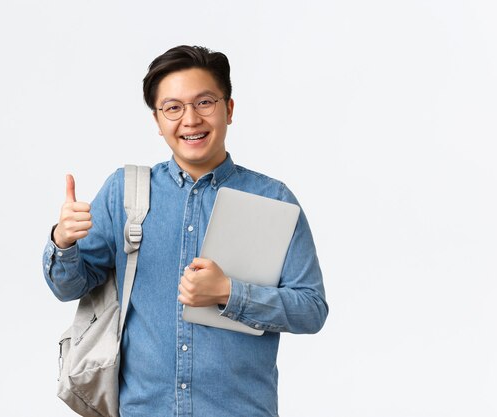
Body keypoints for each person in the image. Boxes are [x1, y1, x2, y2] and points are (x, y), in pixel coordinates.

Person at [42, 45, 328, 417]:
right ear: (157, 121)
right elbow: (68, 288)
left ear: (229, 109)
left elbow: (311, 309)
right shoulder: (124, 192)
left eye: (204, 102)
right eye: (173, 108)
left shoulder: (272, 199)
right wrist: (62, 242)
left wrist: (229, 292)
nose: (190, 119)